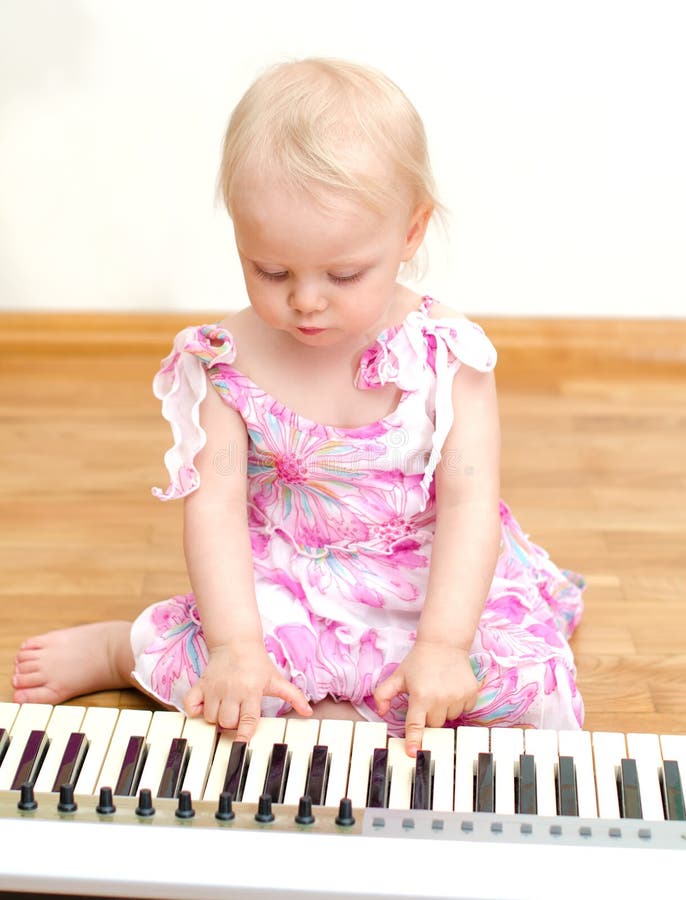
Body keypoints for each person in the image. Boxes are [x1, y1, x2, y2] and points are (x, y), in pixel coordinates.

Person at [12, 57, 585, 757]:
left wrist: (443, 644)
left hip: (424, 573)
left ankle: (365, 697)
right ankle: (119, 650)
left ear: (410, 233)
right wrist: (235, 646)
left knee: (523, 683)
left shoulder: (447, 357)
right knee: (232, 678)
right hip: (289, 570)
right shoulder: (228, 361)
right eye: (270, 270)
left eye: (343, 274)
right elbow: (216, 504)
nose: (306, 300)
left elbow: (469, 505)